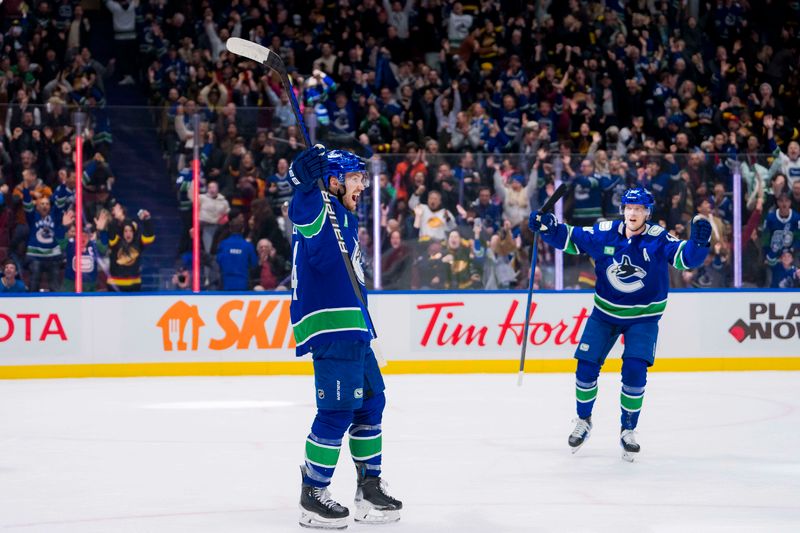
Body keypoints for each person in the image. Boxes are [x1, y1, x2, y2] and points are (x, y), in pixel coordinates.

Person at [529, 187, 711, 461]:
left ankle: (628, 430)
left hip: (644, 317)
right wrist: (546, 226)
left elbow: (686, 259)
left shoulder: (657, 238)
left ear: (647, 213)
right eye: (629, 207)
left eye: (639, 209)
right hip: (605, 313)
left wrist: (700, 244)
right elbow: (569, 238)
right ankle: (584, 421)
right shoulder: (604, 232)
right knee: (586, 366)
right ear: (623, 210)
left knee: (635, 370)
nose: (633, 213)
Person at [288, 145, 402, 528]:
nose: (362, 185)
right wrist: (302, 182)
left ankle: (368, 488)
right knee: (336, 412)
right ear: (334, 182)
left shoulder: (344, 217)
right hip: (331, 326)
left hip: (354, 329)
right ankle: (313, 494)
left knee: (372, 403)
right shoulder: (322, 210)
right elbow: (302, 213)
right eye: (355, 177)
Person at [215, 218, 257, 290]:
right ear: (243, 229)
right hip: (243, 284)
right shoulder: (248, 246)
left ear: (230, 229)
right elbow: (254, 263)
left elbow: (218, 261)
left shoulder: (223, 244)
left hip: (226, 284)